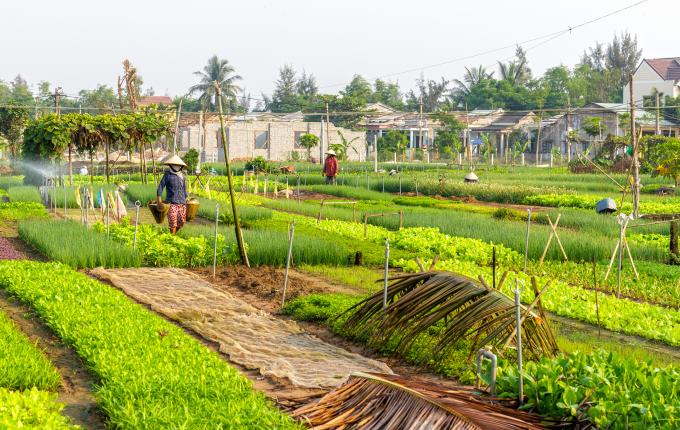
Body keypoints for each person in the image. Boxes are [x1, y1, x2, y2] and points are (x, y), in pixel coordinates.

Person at [157, 154, 188, 234]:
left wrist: (186, 198)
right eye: (174, 165)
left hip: (182, 203)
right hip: (171, 203)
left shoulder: (182, 176)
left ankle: (174, 235)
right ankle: (172, 238)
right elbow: (160, 187)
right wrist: (159, 200)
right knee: (173, 223)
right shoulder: (167, 175)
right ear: (171, 165)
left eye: (178, 165)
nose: (176, 166)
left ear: (181, 166)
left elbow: (184, 189)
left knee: (181, 222)